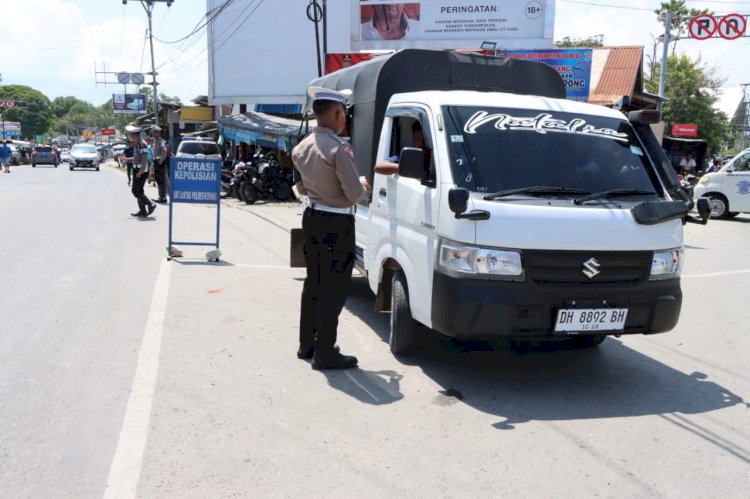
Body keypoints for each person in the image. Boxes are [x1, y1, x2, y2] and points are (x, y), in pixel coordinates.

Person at [292, 86, 371, 370]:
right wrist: (363, 186)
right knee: (334, 288)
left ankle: (307, 344)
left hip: (312, 217)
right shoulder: (338, 148)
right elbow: (354, 194)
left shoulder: (302, 146)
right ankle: (325, 351)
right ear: (338, 113)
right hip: (337, 223)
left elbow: (299, 186)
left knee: (313, 282)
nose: (345, 119)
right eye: (344, 114)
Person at [127, 126, 156, 218]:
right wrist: (126, 159)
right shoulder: (137, 143)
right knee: (139, 191)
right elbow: (136, 157)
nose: (130, 136)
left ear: (135, 134)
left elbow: (144, 160)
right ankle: (142, 211)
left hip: (141, 171)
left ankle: (151, 204)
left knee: (136, 191)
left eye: (131, 134)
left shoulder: (142, 144)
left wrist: (141, 171)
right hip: (137, 170)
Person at [150, 125, 169, 203]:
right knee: (158, 179)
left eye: (154, 132)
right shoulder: (155, 140)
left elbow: (164, 150)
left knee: (161, 179)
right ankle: (160, 196)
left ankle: (163, 197)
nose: (153, 133)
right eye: (153, 132)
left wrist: (161, 159)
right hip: (156, 161)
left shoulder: (160, 140)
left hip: (159, 161)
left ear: (158, 133)